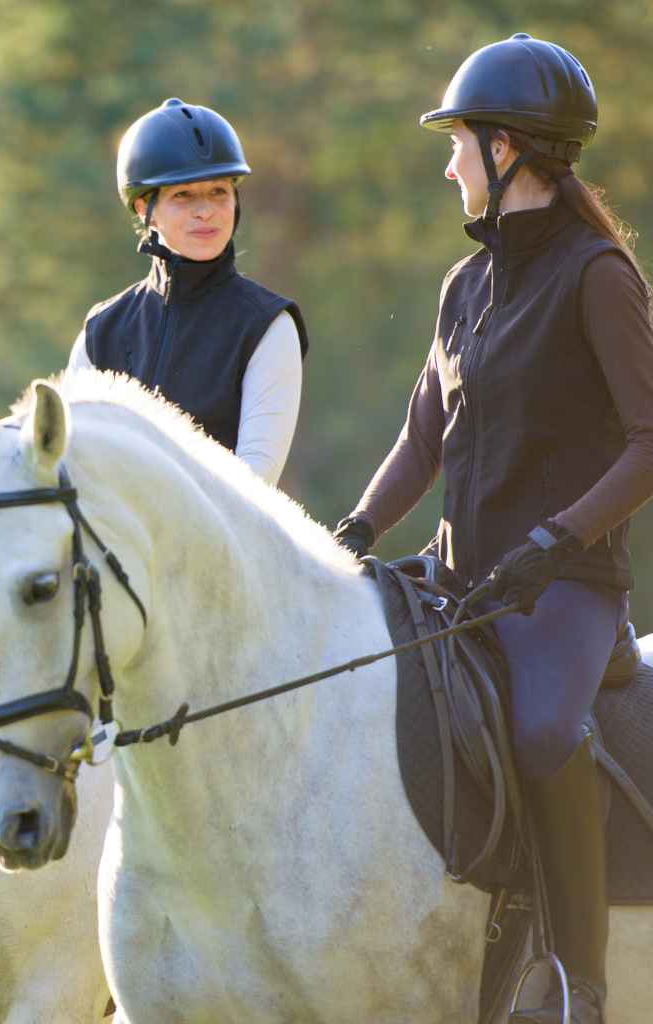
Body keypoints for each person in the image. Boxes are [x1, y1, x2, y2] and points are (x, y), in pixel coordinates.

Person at [334, 34, 653, 1024]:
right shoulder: (461, 287)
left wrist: (561, 542)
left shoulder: (597, 274)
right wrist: (352, 527)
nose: (447, 165)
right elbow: (421, 439)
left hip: (564, 587)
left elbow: (649, 441)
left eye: (458, 144)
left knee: (544, 733)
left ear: (505, 147)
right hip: (460, 576)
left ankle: (576, 981)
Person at [67, 98, 308, 487]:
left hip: (221, 544)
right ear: (145, 206)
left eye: (218, 192)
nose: (206, 211)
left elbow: (253, 487)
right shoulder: (101, 331)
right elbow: (74, 466)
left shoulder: (268, 325)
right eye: (183, 196)